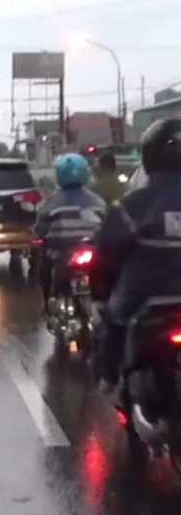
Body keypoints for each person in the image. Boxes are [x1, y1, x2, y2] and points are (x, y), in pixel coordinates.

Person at [91, 118, 181, 389]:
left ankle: (108, 378)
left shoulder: (133, 204)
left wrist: (100, 290)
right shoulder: (126, 199)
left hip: (142, 293)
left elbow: (106, 251)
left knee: (112, 318)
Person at [34, 153, 107, 308]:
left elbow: (40, 229)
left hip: (62, 253)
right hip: (92, 251)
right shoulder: (97, 201)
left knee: (44, 268)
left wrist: (40, 237)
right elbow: (107, 224)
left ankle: (47, 304)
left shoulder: (51, 203)